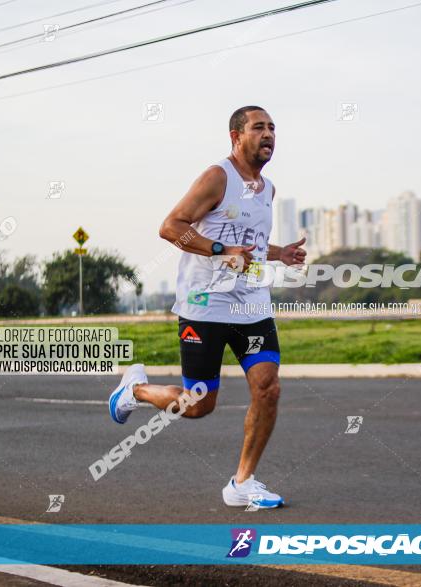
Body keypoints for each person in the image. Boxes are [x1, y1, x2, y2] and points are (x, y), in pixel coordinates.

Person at [107, 106, 306, 509]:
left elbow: (244, 240)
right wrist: (219, 250)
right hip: (204, 306)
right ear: (236, 136)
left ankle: (242, 483)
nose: (268, 134)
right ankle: (135, 391)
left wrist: (278, 252)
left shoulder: (267, 189)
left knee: (268, 390)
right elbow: (171, 227)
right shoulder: (218, 177)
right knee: (198, 405)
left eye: (272, 128)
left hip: (251, 305)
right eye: (258, 128)